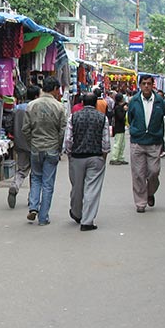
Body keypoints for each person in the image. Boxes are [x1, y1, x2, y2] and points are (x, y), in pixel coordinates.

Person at [23, 76, 66, 226]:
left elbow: (25, 129)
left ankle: (33, 207)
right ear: (54, 89)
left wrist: (31, 143)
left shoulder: (32, 105)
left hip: (35, 147)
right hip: (52, 148)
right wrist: (59, 148)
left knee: (35, 178)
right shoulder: (59, 107)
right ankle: (43, 217)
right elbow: (62, 131)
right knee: (48, 183)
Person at [64, 93, 110, 231]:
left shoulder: (74, 117)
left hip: (77, 157)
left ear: (82, 102)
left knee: (77, 187)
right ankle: (87, 221)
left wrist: (69, 153)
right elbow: (105, 141)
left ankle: (77, 213)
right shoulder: (102, 118)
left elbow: (68, 139)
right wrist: (104, 156)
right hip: (95, 156)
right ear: (96, 103)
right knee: (92, 188)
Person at [127, 75, 165, 213]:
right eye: (143, 83)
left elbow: (163, 118)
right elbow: (130, 117)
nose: (146, 86)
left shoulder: (159, 101)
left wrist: (159, 135)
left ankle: (150, 192)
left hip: (154, 142)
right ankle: (140, 202)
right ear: (140, 85)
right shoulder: (134, 101)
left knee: (154, 172)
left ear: (153, 85)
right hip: (138, 142)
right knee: (138, 174)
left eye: (149, 83)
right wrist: (136, 131)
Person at [8, 85, 41, 209]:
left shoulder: (17, 108)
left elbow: (10, 124)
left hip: (20, 143)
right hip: (35, 143)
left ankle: (15, 185)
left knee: (22, 170)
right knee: (36, 173)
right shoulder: (37, 108)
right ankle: (32, 199)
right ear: (37, 96)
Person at [109, 93, 129, 165]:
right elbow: (121, 117)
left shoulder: (118, 107)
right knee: (118, 144)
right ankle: (115, 158)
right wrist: (124, 110)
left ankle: (120, 157)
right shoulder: (118, 108)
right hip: (118, 128)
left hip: (120, 128)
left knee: (122, 144)